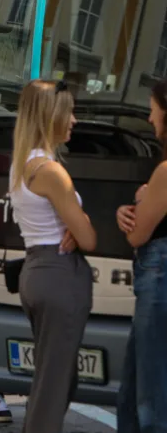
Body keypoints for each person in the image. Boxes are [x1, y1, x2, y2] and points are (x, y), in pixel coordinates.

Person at [9, 79, 96, 433]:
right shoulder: (51, 171)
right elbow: (89, 237)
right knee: (53, 385)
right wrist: (81, 225)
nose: (74, 120)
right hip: (59, 274)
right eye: (69, 112)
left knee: (54, 379)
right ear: (51, 116)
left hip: (37, 270)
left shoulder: (23, 164)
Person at [115, 78, 167, 433]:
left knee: (149, 399)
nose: (149, 119)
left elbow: (138, 234)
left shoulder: (165, 172)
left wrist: (138, 200)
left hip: (158, 284)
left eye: (153, 109)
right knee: (133, 392)